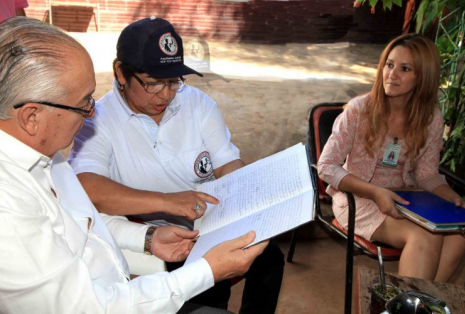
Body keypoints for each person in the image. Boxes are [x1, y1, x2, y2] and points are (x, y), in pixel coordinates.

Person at [0, 16, 268, 314]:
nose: (91, 113)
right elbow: (90, 307)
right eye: (83, 103)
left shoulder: (50, 157)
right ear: (31, 117)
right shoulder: (8, 205)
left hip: (132, 275)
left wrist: (148, 238)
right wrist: (204, 270)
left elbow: (85, 222)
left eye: (173, 82)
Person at [69, 17, 284, 313]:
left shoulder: (197, 103)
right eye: (153, 82)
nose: (166, 94)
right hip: (160, 235)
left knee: (269, 257)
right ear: (121, 72)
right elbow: (87, 186)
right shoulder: (98, 120)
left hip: (211, 220)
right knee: (205, 290)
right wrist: (169, 203)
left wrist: (244, 192)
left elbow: (226, 163)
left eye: (173, 81)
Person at [317, 33, 465, 282]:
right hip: (359, 198)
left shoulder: (430, 118)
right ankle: (410, 305)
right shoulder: (358, 110)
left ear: (423, 77)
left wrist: (450, 197)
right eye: (389, 65)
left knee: (459, 234)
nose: (391, 74)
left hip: (408, 198)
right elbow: (326, 167)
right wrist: (376, 192)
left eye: (405, 68)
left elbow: (426, 174)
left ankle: (423, 302)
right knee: (423, 237)